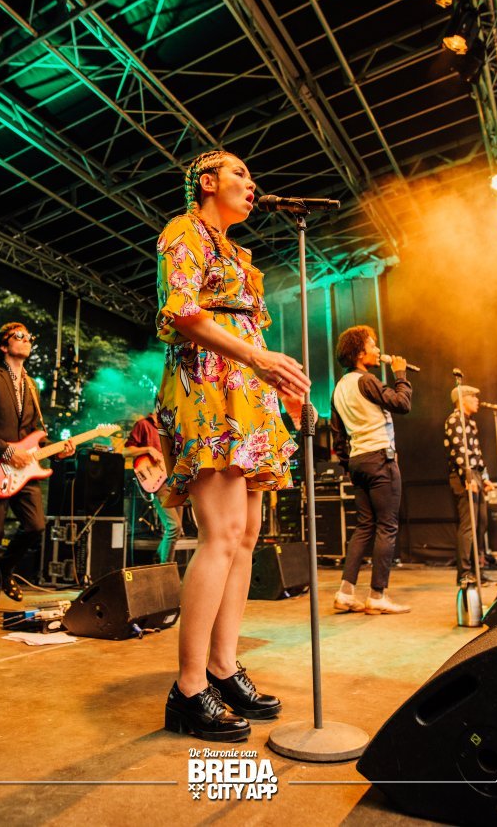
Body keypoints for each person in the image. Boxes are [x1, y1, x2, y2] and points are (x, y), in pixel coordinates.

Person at [156, 149, 310, 742]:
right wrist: (256, 358)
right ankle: (188, 687)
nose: (252, 182)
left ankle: (222, 666)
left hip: (246, 393)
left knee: (246, 536)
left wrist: (279, 384)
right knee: (219, 535)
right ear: (206, 181)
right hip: (207, 386)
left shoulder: (236, 253)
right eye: (239, 173)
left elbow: (246, 330)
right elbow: (183, 313)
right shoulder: (184, 231)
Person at [0, 322, 74, 626]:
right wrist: (7, 452)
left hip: (23, 472)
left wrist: (57, 450)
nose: (27, 340)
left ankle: (3, 568)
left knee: (36, 526)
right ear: (3, 345)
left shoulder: (32, 386)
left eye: (29, 337)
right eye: (19, 336)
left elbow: (31, 435)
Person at [331, 325, 412, 615]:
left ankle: (345, 593)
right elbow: (402, 403)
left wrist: (349, 465)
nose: (378, 350)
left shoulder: (339, 389)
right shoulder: (367, 380)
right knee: (386, 526)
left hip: (358, 461)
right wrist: (400, 376)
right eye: (373, 345)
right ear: (359, 353)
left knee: (364, 526)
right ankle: (377, 595)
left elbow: (338, 436)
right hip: (380, 459)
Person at [444, 385, 495, 585]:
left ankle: (476, 570)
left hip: (476, 474)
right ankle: (464, 572)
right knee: (468, 525)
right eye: (472, 396)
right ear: (462, 399)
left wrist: (485, 476)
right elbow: (459, 451)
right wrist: (468, 477)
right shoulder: (454, 420)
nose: (476, 400)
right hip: (463, 475)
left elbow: (476, 452)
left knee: (481, 523)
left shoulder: (470, 422)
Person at [123, 411, 183, 563]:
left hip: (175, 482)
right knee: (173, 527)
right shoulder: (144, 425)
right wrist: (149, 449)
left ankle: (158, 560)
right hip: (158, 483)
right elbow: (126, 451)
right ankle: (166, 569)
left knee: (176, 531)